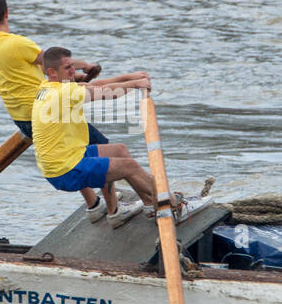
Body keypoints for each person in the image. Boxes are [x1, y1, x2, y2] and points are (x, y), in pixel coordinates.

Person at [0, 0, 150, 221]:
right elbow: (48, 60)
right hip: (49, 109)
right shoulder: (15, 43)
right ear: (8, 13)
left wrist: (75, 77)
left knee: (69, 152)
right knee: (100, 148)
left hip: (21, 115)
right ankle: (114, 211)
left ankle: (93, 205)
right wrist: (85, 66)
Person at [33, 47, 204, 228]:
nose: (73, 71)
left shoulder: (48, 87)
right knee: (129, 167)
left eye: (72, 66)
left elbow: (95, 85)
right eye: (67, 68)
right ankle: (174, 204)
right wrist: (136, 85)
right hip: (65, 170)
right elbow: (108, 93)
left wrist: (130, 78)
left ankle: (145, 205)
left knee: (119, 150)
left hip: (67, 157)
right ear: (52, 72)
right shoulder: (62, 93)